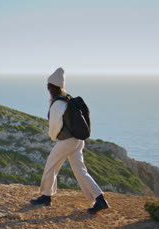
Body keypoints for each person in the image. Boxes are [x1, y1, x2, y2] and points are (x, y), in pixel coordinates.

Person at [30, 67, 109, 214]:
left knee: (51, 166)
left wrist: (54, 137)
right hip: (78, 140)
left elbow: (55, 126)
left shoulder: (57, 104)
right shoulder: (68, 99)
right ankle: (99, 199)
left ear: (50, 87)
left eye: (48, 86)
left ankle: (46, 196)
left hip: (66, 141)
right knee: (80, 171)